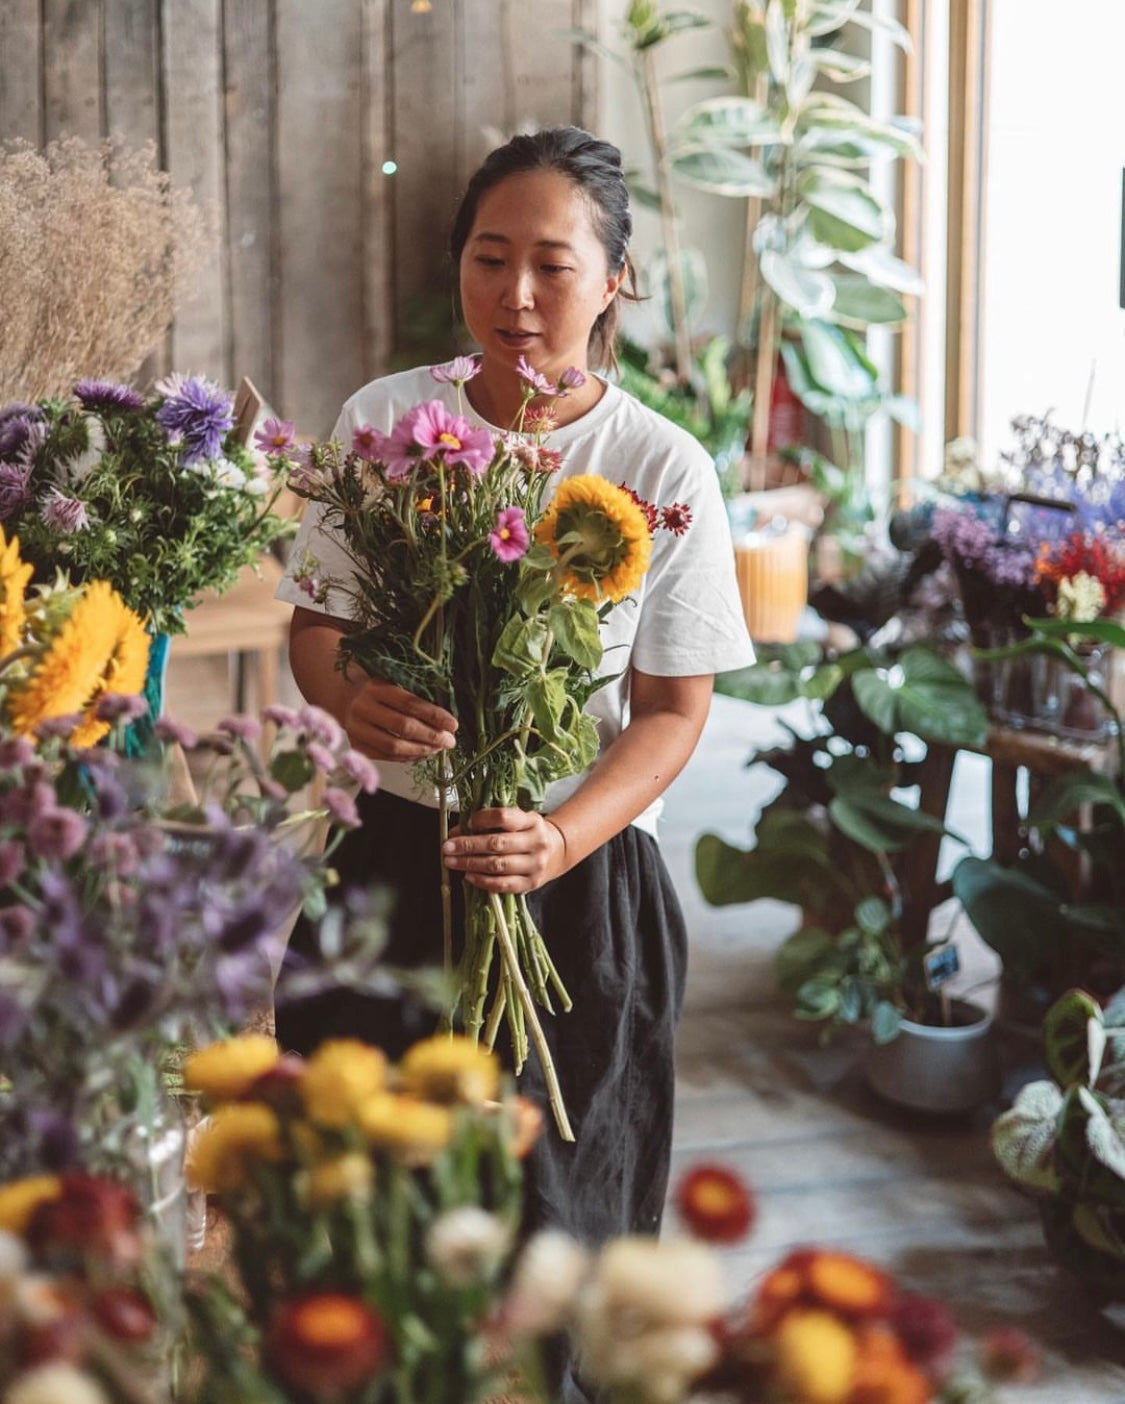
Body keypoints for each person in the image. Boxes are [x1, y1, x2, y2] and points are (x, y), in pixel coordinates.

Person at [275, 126, 753, 1393]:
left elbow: (668, 710)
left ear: (616, 282)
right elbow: (315, 630)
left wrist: (560, 835)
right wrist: (354, 695)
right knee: (365, 1222)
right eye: (491, 259)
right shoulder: (389, 423)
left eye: (553, 262)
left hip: (577, 899)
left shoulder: (658, 468)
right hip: (388, 867)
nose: (518, 296)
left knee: (557, 1240)